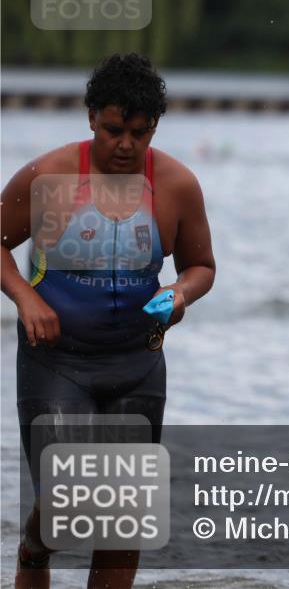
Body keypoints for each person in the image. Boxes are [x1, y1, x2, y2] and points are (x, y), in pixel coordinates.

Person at [1, 53, 216, 589]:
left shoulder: (177, 185)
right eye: (114, 130)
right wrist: (26, 298)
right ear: (92, 116)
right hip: (57, 363)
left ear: (155, 127)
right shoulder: (49, 176)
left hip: (137, 364)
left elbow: (201, 267)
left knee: (123, 517)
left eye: (140, 134)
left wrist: (179, 293)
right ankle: (34, 552)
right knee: (67, 500)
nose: (126, 145)